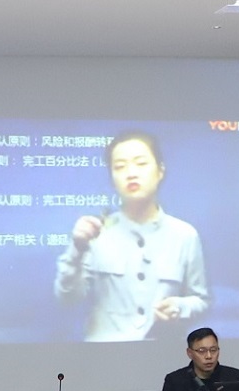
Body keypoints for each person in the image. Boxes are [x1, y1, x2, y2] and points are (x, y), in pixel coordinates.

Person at [55, 130, 209, 342]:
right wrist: (77, 249)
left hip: (163, 353)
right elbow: (68, 299)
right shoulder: (95, 233)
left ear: (160, 171)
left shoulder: (184, 235)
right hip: (104, 353)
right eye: (120, 167)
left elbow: (200, 300)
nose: (131, 173)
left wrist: (180, 307)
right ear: (112, 177)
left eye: (141, 163)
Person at [157, 327, 239, 391]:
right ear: (189, 353)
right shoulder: (175, 381)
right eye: (202, 351)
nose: (209, 356)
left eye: (213, 350)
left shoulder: (232, 377)